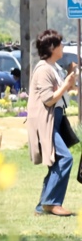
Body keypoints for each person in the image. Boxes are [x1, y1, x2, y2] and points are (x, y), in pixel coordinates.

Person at [27, 28, 77, 216]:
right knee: (64, 158)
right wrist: (65, 85)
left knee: (57, 160)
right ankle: (52, 203)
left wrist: (69, 78)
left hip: (55, 119)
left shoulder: (53, 68)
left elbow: (60, 92)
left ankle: (43, 205)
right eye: (60, 44)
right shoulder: (43, 70)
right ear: (51, 48)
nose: (63, 46)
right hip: (46, 121)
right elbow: (48, 99)